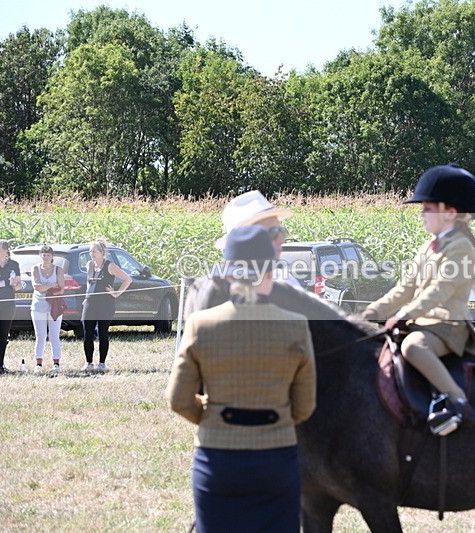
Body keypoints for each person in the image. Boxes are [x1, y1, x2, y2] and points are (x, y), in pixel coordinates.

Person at [167, 225, 316, 533]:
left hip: (218, 459)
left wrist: (212, 415)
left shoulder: (200, 325)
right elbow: (304, 407)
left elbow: (178, 399)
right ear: (270, 273)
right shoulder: (296, 326)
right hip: (276, 459)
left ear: (228, 275)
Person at [361, 164, 475, 431]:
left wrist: (402, 315)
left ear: (450, 213)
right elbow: (404, 289)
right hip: (425, 322)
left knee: (413, 346)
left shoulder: (460, 247)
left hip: (449, 326)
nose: (422, 214)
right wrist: (370, 312)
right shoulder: (427, 248)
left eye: (428, 208)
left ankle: (458, 402)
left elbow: (439, 291)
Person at [185, 190, 297, 319]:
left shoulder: (202, 289)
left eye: (282, 231)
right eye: (273, 233)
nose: (282, 239)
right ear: (245, 239)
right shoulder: (206, 291)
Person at [81, 238, 132, 372]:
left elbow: (127, 279)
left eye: (94, 251)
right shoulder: (89, 265)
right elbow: (89, 282)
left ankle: (102, 363)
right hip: (90, 302)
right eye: (90, 251)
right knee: (87, 332)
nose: (91, 254)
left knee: (102, 332)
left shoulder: (110, 266)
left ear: (102, 252)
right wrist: (86, 296)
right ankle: (88, 363)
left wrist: (117, 293)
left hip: (105, 304)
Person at [30, 245, 65, 373]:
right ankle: (38, 364)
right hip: (38, 306)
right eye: (43, 255)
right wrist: (51, 285)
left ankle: (56, 364)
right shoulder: (35, 268)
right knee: (40, 336)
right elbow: (37, 287)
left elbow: (61, 289)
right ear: (40, 256)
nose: (45, 257)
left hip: (54, 306)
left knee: (54, 335)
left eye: (48, 255)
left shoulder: (58, 270)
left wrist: (47, 288)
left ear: (52, 256)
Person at [0, 239, 21, 375]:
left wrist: (17, 284)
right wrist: (6, 282)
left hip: (8, 304)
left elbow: (18, 285)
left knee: (3, 336)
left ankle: (0, 366)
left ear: (6, 251)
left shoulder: (14, 265)